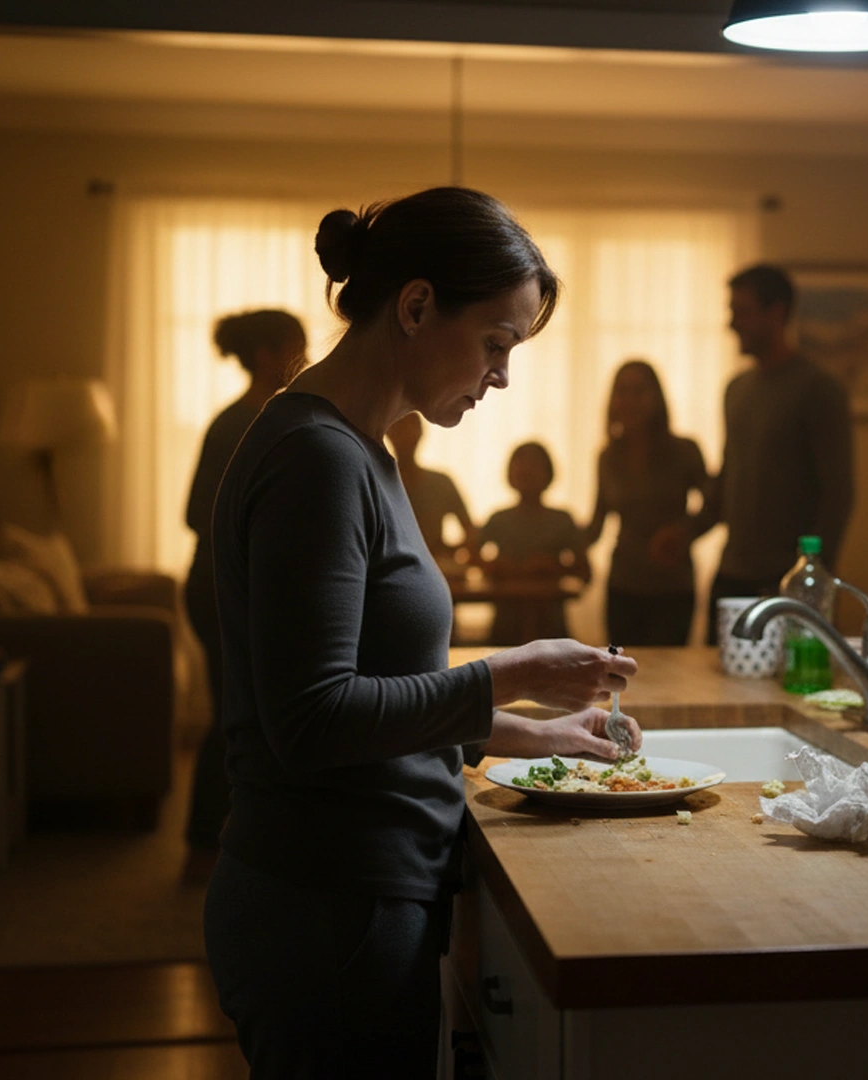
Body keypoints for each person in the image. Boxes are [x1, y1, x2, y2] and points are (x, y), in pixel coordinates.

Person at [201, 187, 640, 1078]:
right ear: (414, 305)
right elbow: (314, 719)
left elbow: (376, 688)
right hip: (326, 907)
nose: (502, 375)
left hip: (357, 891)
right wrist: (507, 673)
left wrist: (526, 734)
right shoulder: (316, 460)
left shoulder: (364, 450)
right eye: (495, 344)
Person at [182, 309, 307, 872]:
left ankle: (219, 836)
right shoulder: (240, 422)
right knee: (237, 709)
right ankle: (204, 842)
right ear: (265, 355)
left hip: (229, 584)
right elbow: (196, 513)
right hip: (217, 587)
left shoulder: (266, 417)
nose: (306, 356)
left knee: (247, 707)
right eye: (295, 345)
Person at [693, 263, 855, 643]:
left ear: (777, 312)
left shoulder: (819, 389)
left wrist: (815, 582)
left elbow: (838, 493)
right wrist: (686, 532)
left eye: (742, 312)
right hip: (731, 571)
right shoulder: (737, 389)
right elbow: (729, 478)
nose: (732, 323)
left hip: (786, 579)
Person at [584, 359, 711, 646]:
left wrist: (683, 533)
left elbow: (714, 506)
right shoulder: (608, 457)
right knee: (622, 678)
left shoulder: (684, 451)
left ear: (656, 398)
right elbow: (596, 523)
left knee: (669, 675)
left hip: (672, 585)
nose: (629, 400)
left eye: (638, 391)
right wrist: (560, 546)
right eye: (622, 391)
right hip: (622, 583)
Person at [478, 441, 588, 644]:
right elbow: (471, 556)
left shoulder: (562, 520)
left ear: (548, 474)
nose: (527, 471)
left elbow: (585, 571)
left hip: (550, 621)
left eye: (534, 465)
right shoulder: (498, 519)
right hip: (506, 619)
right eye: (521, 464)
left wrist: (554, 567)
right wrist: (494, 566)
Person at [386, 410, 476, 575]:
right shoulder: (379, 480)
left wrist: (451, 552)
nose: (405, 435)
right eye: (398, 428)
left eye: (410, 427)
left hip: (432, 569)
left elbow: (470, 530)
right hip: (390, 570)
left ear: (420, 433)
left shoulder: (441, 483)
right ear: (388, 432)